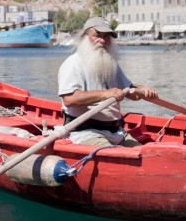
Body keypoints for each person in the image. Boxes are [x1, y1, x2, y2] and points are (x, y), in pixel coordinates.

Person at [57, 17, 158, 147]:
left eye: (107, 36)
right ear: (85, 36)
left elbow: (129, 90)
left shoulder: (110, 63)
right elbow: (70, 99)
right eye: (98, 35)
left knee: (142, 153)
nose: (103, 40)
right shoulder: (73, 64)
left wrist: (144, 91)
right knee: (123, 156)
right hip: (85, 132)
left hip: (116, 132)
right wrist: (106, 94)